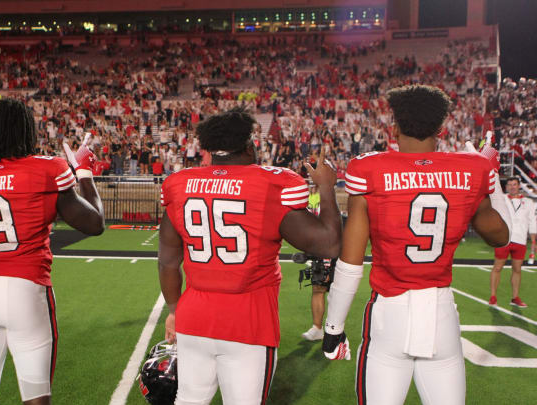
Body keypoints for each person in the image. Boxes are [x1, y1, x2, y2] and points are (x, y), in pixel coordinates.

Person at [322, 85, 510, 405]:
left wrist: (333, 328)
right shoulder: (470, 170)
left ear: (393, 126)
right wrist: (489, 177)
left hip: (389, 317)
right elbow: (502, 236)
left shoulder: (370, 168)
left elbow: (351, 263)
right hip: (442, 318)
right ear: (441, 129)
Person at [159, 108, 342, 405]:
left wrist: (173, 309)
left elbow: (168, 261)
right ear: (249, 145)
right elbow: (329, 245)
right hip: (248, 321)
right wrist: (326, 188)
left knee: (189, 400)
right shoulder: (270, 183)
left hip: (193, 318)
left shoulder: (180, 184)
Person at [0, 98, 105, 405]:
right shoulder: (48, 169)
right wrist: (84, 173)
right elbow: (94, 224)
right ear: (28, 132)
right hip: (28, 291)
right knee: (35, 398)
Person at [489, 176, 535, 307]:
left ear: (519, 186)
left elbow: (532, 222)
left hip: (520, 240)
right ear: (506, 187)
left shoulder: (529, 202)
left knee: (517, 269)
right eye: (510, 185)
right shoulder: (501, 199)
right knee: (497, 267)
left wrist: (533, 241)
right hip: (504, 239)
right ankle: (493, 296)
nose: (512, 187)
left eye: (515, 184)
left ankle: (515, 297)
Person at [302, 183, 328, 341]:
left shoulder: (327, 199)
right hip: (319, 248)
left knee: (336, 293)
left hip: (332, 246)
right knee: (318, 289)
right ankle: (318, 327)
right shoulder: (311, 199)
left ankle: (335, 329)